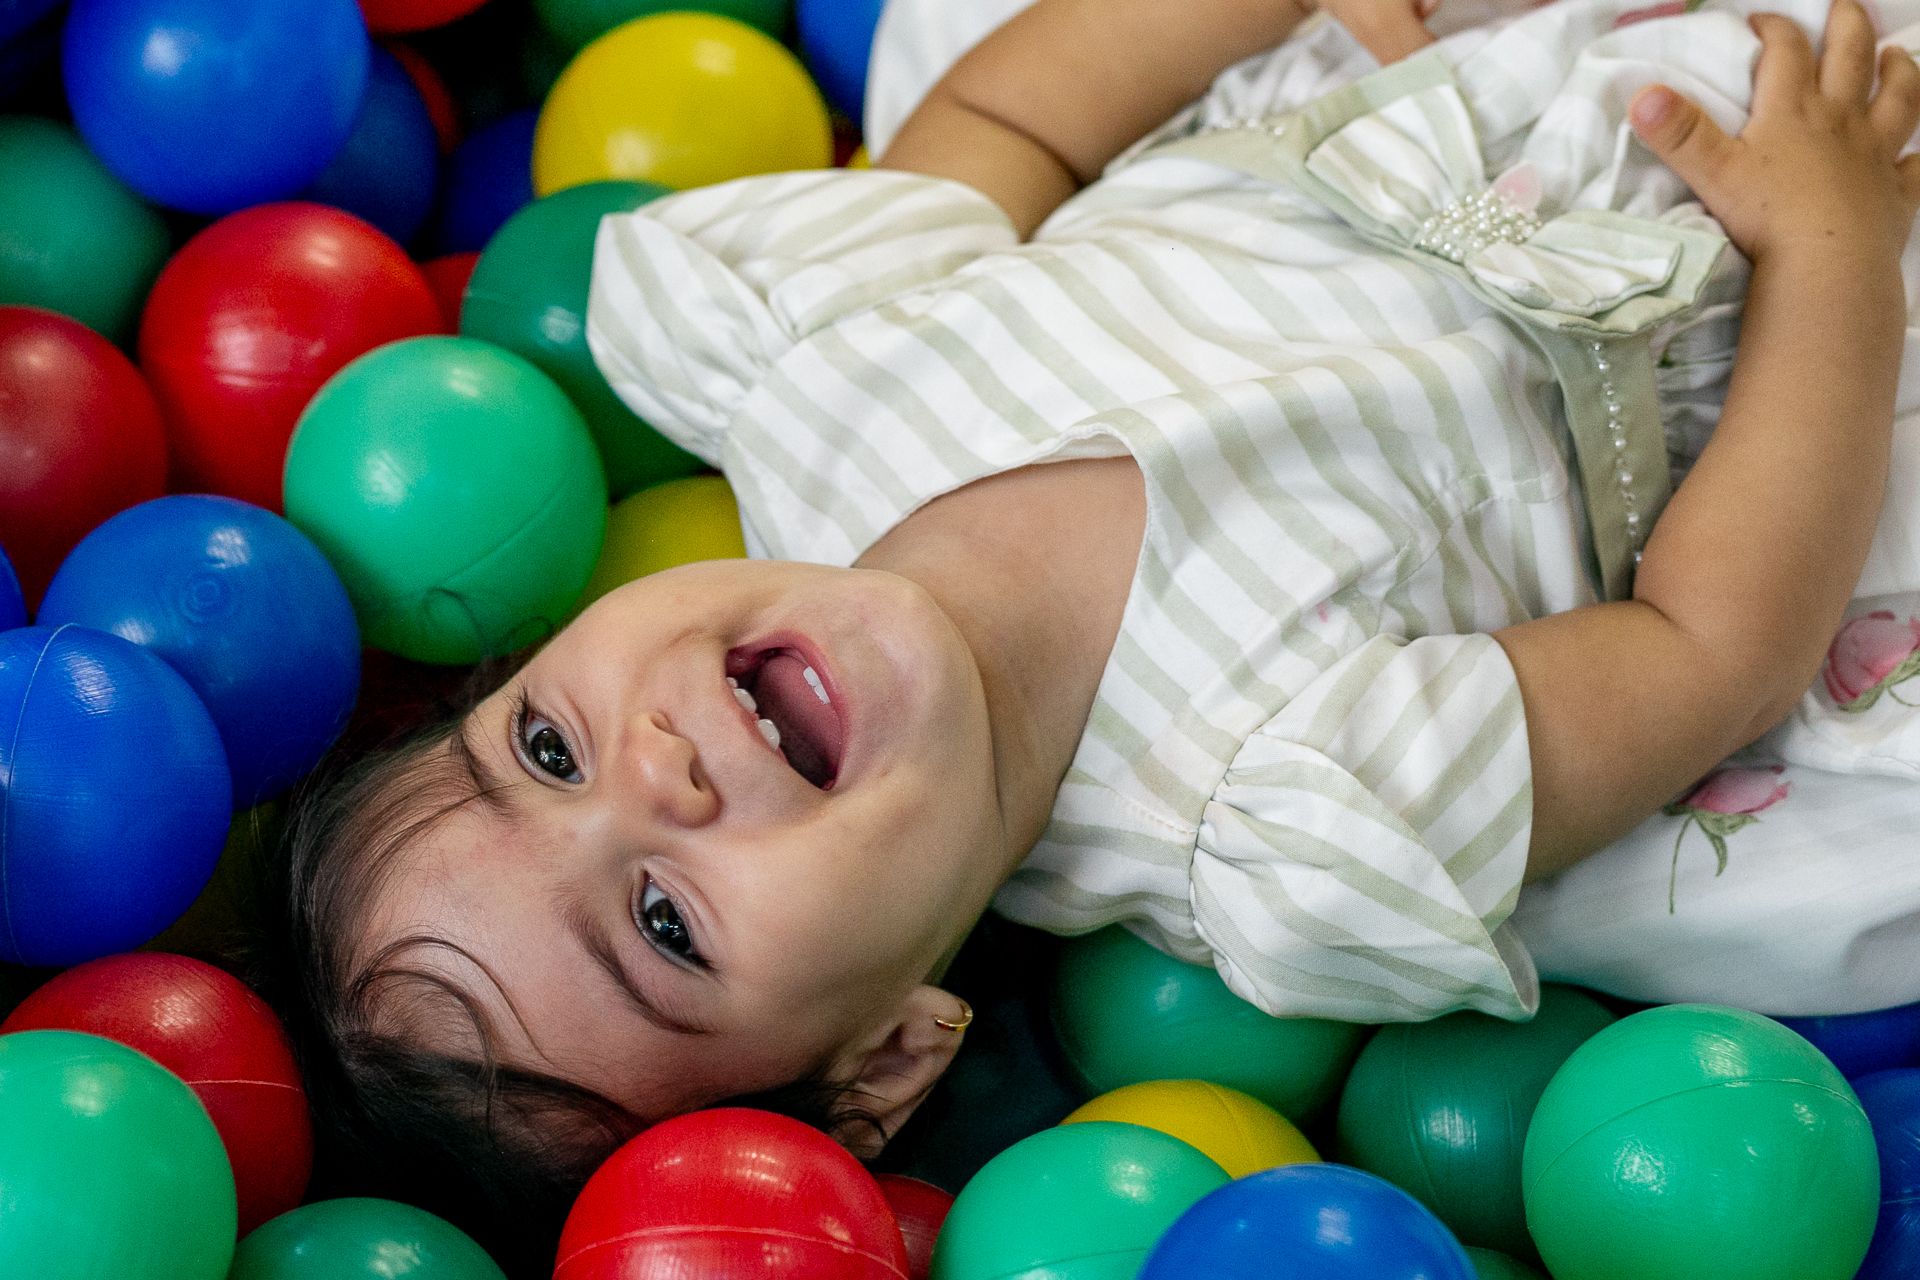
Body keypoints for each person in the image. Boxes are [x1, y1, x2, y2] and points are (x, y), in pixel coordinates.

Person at [248, 0, 1920, 1270]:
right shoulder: (1283, 808)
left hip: (1404, 61)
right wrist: (1835, 255)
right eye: (667, 925)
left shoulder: (809, 372)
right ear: (891, 1057)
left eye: (547, 746)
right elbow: (1707, 646)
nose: (656, 770)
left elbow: (1016, 117)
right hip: (1737, 275)